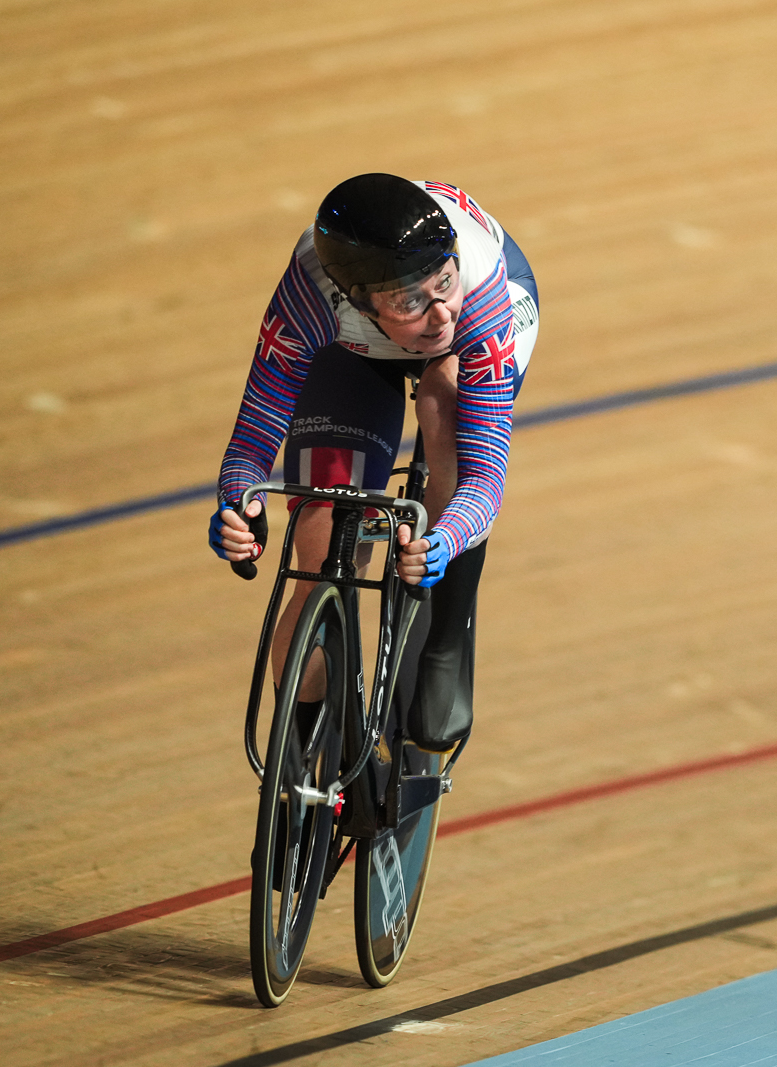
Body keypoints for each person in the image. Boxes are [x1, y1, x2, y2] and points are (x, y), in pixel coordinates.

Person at [208, 173, 540, 760]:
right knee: (320, 559)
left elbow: (487, 476)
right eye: (412, 300)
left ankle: (445, 638)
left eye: (443, 283)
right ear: (356, 298)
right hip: (355, 350)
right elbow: (253, 437)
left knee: (446, 394)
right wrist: (240, 505)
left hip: (484, 328)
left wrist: (443, 542)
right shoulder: (308, 296)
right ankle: (304, 759)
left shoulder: (478, 295)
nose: (440, 313)